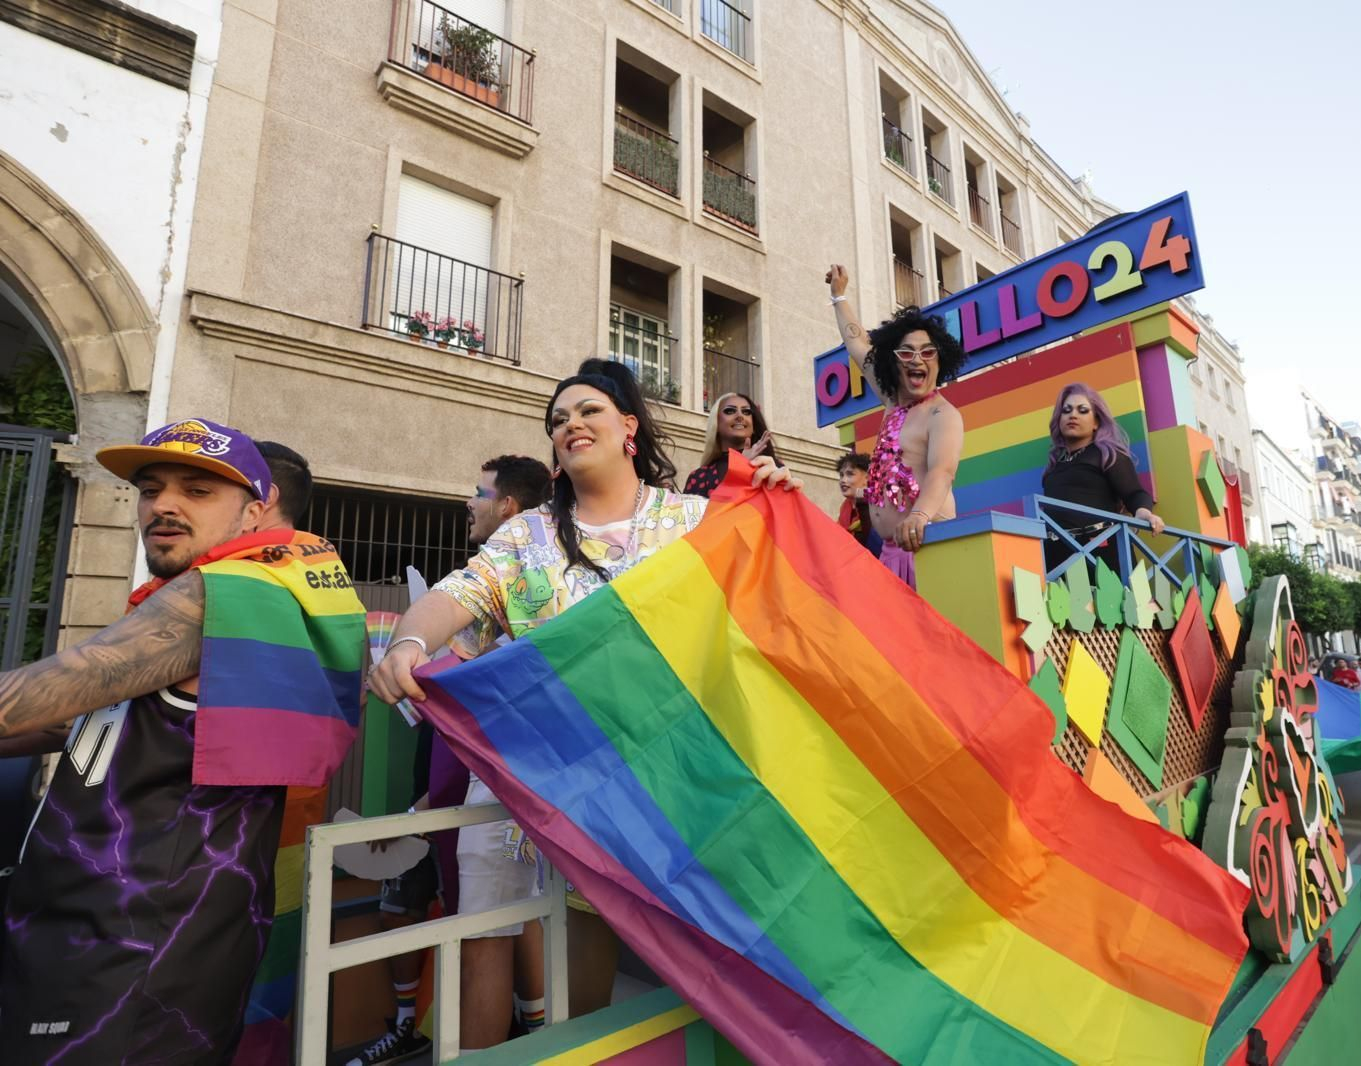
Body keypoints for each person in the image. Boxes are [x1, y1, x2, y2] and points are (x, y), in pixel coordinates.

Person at [369, 359, 801, 1046]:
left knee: (638, 944)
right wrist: (409, 640)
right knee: (494, 938)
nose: (570, 424)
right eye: (558, 419)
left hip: (652, 777)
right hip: (523, 776)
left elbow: (776, 598)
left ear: (629, 426)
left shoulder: (694, 519)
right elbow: (458, 596)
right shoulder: (523, 536)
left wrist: (778, 505)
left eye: (588, 411)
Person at [0, 418, 365, 1064]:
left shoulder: (217, 596)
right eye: (151, 488)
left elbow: (25, 701)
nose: (163, 505)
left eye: (197, 491)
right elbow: (71, 719)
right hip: (103, 932)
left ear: (256, 512)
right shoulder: (215, 599)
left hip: (136, 954)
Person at [349, 453, 553, 1066]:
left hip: (488, 785)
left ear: (510, 509)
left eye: (478, 491)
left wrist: (421, 806)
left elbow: (486, 706)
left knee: (493, 923)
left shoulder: (526, 586)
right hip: (457, 783)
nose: (469, 501)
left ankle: (532, 1036)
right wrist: (409, 648)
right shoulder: (483, 583)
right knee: (495, 918)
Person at [825, 263, 965, 587]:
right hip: (890, 553)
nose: (917, 359)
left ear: (939, 361)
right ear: (893, 362)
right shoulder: (892, 401)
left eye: (927, 352)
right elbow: (858, 345)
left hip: (929, 548)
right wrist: (839, 296)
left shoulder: (943, 415)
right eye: (907, 353)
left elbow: (942, 472)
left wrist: (919, 515)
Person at [1038, 382, 1166, 576]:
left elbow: (1134, 493)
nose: (1073, 415)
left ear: (1096, 422)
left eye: (1082, 410)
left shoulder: (1108, 454)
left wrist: (1144, 513)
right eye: (1066, 410)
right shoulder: (1055, 464)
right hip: (1058, 557)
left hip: (1101, 552)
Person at [684, 392, 779, 497]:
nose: (740, 416)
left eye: (746, 412)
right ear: (716, 423)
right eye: (730, 411)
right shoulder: (698, 478)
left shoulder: (772, 468)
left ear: (754, 426)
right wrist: (739, 468)